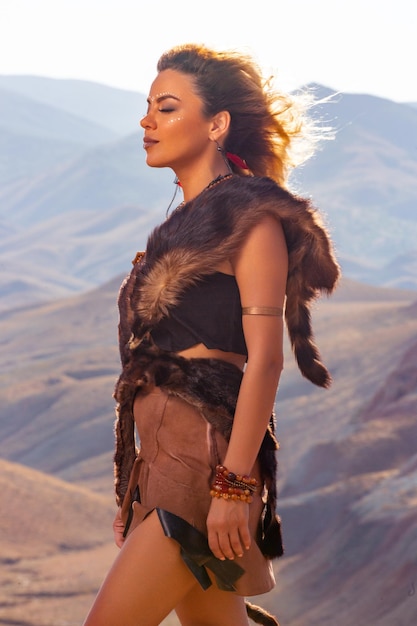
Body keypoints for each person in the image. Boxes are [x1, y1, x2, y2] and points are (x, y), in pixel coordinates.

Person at [83, 43, 340, 626]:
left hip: (204, 468)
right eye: (147, 106)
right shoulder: (185, 225)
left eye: (167, 108)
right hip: (164, 465)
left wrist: (230, 487)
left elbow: (267, 362)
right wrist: (136, 484)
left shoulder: (251, 221)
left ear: (217, 123)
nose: (147, 121)